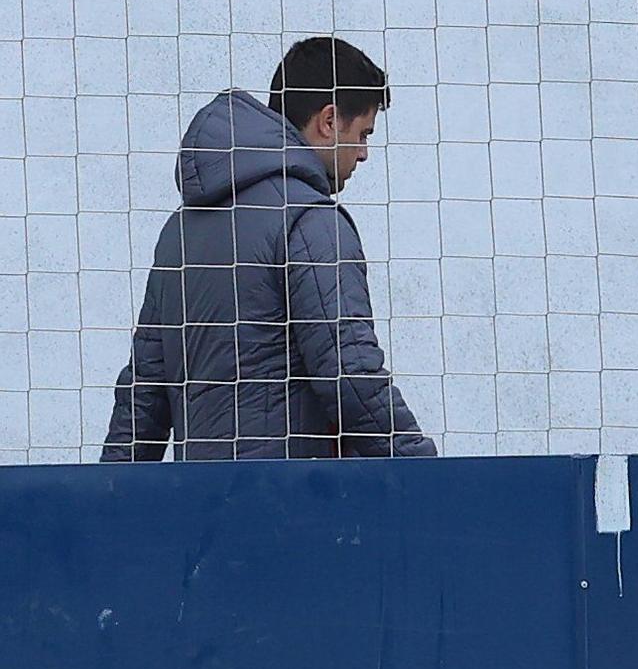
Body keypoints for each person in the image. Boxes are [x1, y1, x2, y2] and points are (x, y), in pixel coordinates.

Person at [102, 37, 436, 461]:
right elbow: (349, 373)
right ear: (329, 120)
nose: (364, 154)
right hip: (292, 504)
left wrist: (110, 503)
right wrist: (421, 471)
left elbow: (142, 396)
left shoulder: (178, 234)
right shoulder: (310, 221)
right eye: (363, 133)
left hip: (204, 512)